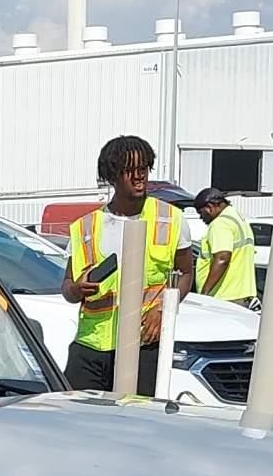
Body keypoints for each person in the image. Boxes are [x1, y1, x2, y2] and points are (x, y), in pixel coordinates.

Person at [63, 135, 197, 392]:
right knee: (78, 421)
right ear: (112, 176)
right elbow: (67, 286)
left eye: (144, 168)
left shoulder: (170, 218)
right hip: (91, 345)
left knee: (134, 422)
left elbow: (186, 273)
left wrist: (163, 309)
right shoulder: (85, 227)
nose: (140, 176)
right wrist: (77, 289)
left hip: (142, 345)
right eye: (130, 170)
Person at [192, 187, 259, 309]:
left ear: (210, 207)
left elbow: (222, 258)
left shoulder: (220, 224)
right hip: (242, 295)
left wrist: (205, 293)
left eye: (201, 213)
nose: (201, 218)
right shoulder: (238, 218)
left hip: (224, 297)